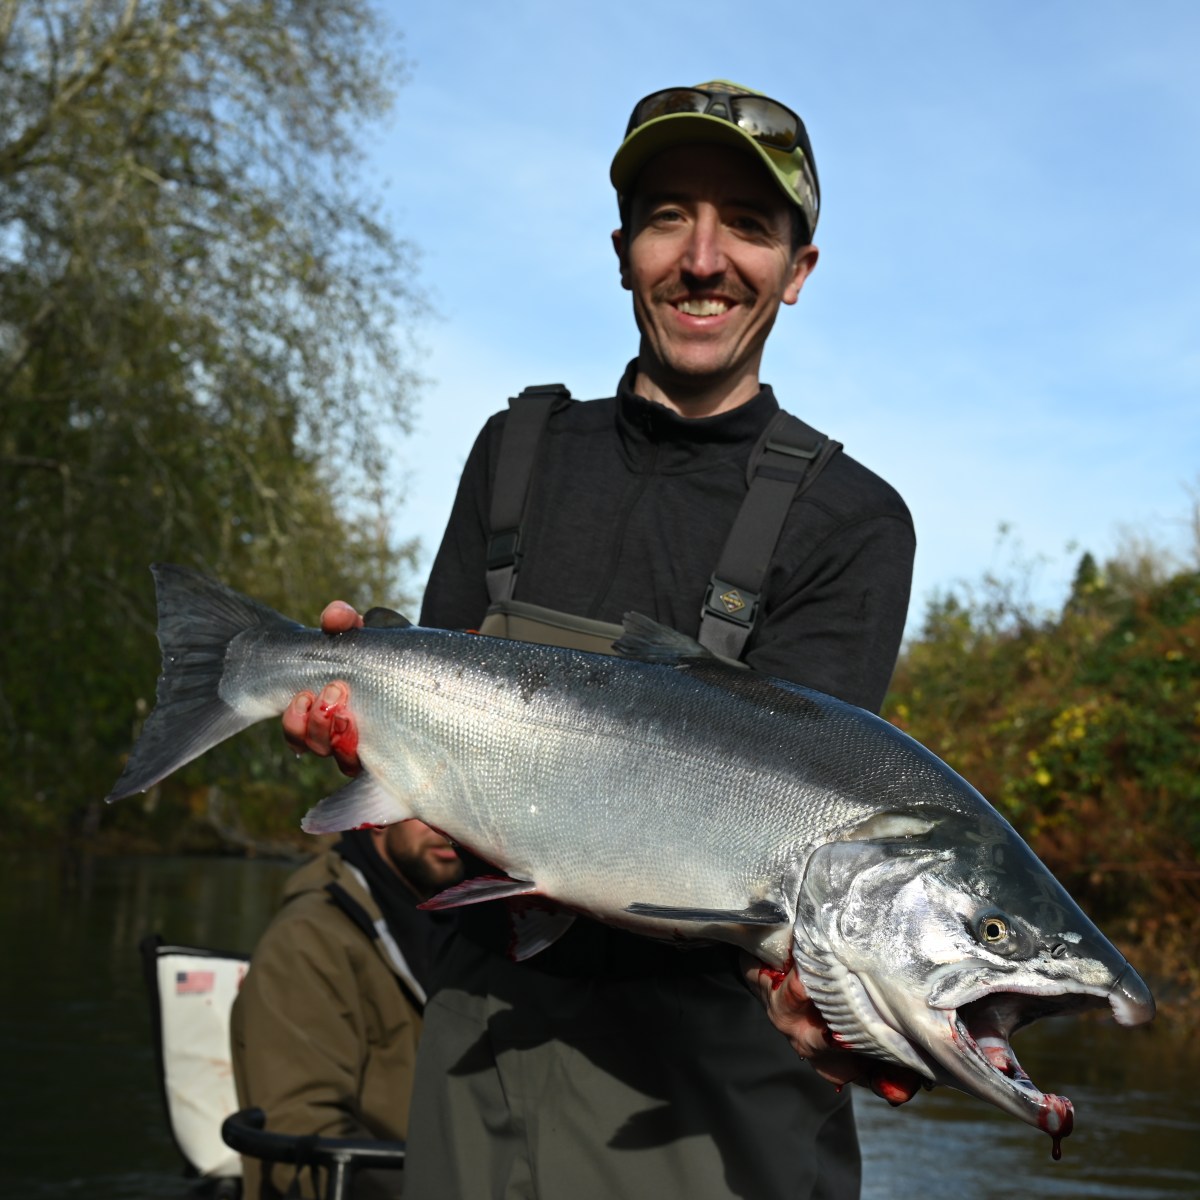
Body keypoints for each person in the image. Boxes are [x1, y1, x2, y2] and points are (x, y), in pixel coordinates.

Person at [285, 80, 921, 1199]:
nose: (705, 257)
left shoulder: (852, 522)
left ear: (799, 270)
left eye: (750, 226)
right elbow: (421, 839)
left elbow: (810, 873)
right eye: (669, 214)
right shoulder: (515, 451)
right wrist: (394, 794)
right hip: (478, 1058)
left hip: (712, 1099)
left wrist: (838, 1008)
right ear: (623, 248)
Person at [230, 820, 463, 1199]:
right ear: (377, 816)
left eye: (457, 807)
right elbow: (302, 1125)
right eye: (426, 808)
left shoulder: (471, 923)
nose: (447, 826)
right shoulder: (307, 939)